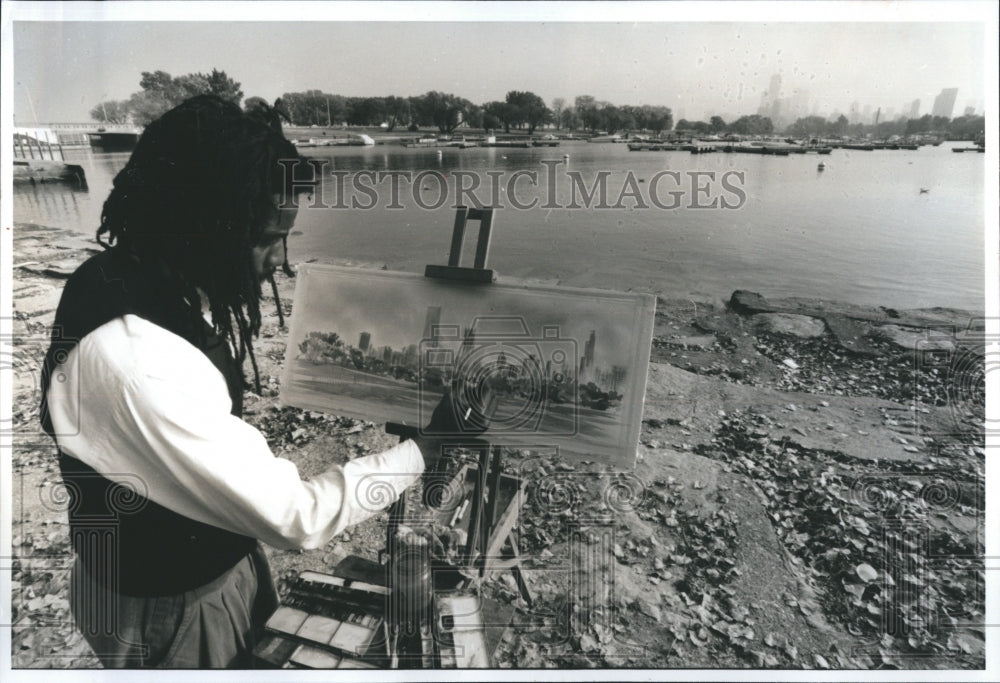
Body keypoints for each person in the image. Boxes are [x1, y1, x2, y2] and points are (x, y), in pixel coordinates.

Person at [39, 95, 450, 668]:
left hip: (182, 569)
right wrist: (427, 450)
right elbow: (296, 516)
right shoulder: (136, 362)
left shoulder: (127, 275)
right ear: (198, 225)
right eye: (264, 238)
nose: (280, 261)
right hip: (172, 606)